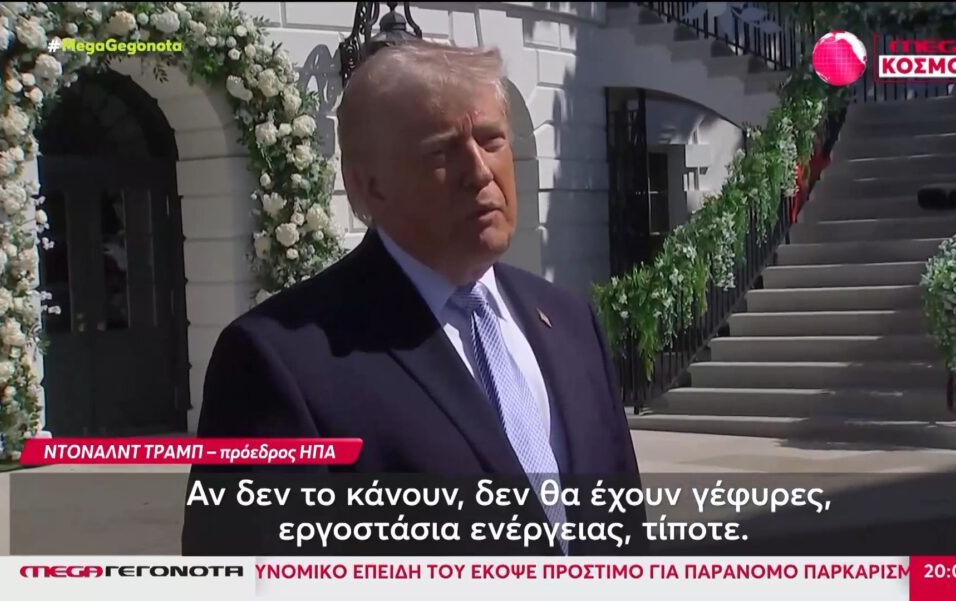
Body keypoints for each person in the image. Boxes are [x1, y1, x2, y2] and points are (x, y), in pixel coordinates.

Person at [182, 39, 641, 554]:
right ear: (370, 185)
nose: (479, 171)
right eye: (441, 151)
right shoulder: (279, 361)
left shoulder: (570, 321)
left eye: (491, 140)